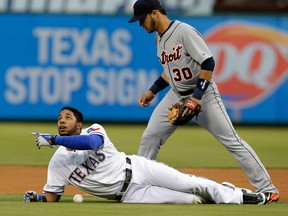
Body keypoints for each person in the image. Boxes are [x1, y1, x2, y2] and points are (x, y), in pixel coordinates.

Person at [128, 0, 279, 203]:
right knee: (150, 137)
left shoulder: (184, 31)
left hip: (204, 95)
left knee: (232, 141)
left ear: (155, 13)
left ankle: (268, 189)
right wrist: (153, 90)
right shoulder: (158, 39)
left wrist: (196, 98)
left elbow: (208, 61)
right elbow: (171, 70)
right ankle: (138, 185)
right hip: (176, 94)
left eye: (142, 19)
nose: (140, 24)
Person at [24, 106, 267, 204]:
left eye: (67, 117)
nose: (62, 121)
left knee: (190, 183)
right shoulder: (57, 162)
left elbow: (90, 142)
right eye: (59, 119)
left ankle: (242, 196)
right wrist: (37, 197)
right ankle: (222, 193)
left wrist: (54, 140)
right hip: (131, 195)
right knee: (192, 200)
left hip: (138, 168)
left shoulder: (95, 129)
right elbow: (52, 196)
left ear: (79, 124)